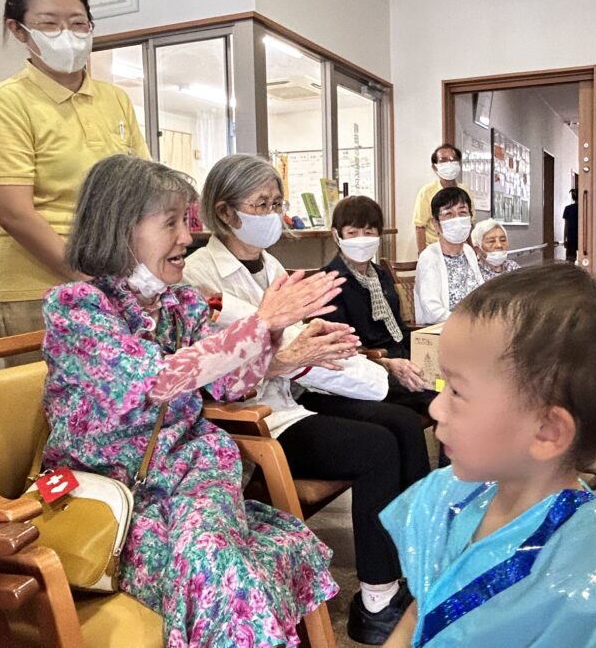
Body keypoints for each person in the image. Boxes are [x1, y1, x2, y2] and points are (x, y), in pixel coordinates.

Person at [41, 155, 347, 646]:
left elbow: (230, 385)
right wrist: (262, 323)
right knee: (227, 576)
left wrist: (280, 337)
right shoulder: (77, 310)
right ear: (121, 229)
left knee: (280, 547)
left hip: (192, 480)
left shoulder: (178, 302)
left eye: (187, 222)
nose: (187, 237)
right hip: (118, 497)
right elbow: (159, 381)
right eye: (172, 223)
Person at [182, 154, 428, 644]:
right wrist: (291, 354)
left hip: (293, 396)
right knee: (376, 446)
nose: (273, 213)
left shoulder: (271, 264)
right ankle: (376, 600)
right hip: (252, 418)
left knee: (401, 422)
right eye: (262, 204)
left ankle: (414, 566)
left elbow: (297, 347)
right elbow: (216, 371)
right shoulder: (199, 275)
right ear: (226, 212)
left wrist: (344, 353)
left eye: (277, 202)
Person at [379, 265, 596, 647]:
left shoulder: (584, 590)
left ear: (547, 432)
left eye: (456, 391)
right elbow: (423, 608)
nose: (436, 409)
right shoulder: (452, 499)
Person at [0, 0, 149, 342]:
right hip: (37, 291)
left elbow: (143, 189)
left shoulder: (115, 99)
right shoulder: (6, 101)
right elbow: (15, 213)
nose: (67, 35)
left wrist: (138, 271)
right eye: (49, 24)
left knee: (119, 399)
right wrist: (88, 276)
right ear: (18, 30)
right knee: (44, 399)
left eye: (78, 23)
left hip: (113, 280)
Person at [321, 194, 434, 415]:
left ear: (379, 235)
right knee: (438, 395)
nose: (361, 239)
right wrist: (388, 364)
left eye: (369, 232)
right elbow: (342, 349)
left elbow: (400, 330)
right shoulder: (329, 282)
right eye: (352, 233)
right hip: (372, 369)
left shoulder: (381, 275)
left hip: (403, 358)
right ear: (337, 235)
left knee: (455, 382)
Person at [413, 187, 483, 325]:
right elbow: (432, 312)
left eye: (462, 212)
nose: (457, 219)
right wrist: (468, 322)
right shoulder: (430, 257)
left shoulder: (468, 251)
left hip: (474, 328)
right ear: (436, 224)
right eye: (448, 214)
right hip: (445, 331)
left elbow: (481, 293)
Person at [412, 144, 475, 254]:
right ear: (434, 167)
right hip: (435, 249)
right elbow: (419, 226)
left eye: (453, 160)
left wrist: (472, 248)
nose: (449, 164)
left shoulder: (466, 191)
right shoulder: (427, 192)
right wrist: (422, 254)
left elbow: (469, 223)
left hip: (461, 249)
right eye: (443, 161)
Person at [562, 188, 578, 262]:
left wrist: (565, 239)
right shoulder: (585, 208)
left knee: (570, 260)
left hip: (571, 237)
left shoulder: (568, 208)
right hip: (583, 237)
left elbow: (566, 225)